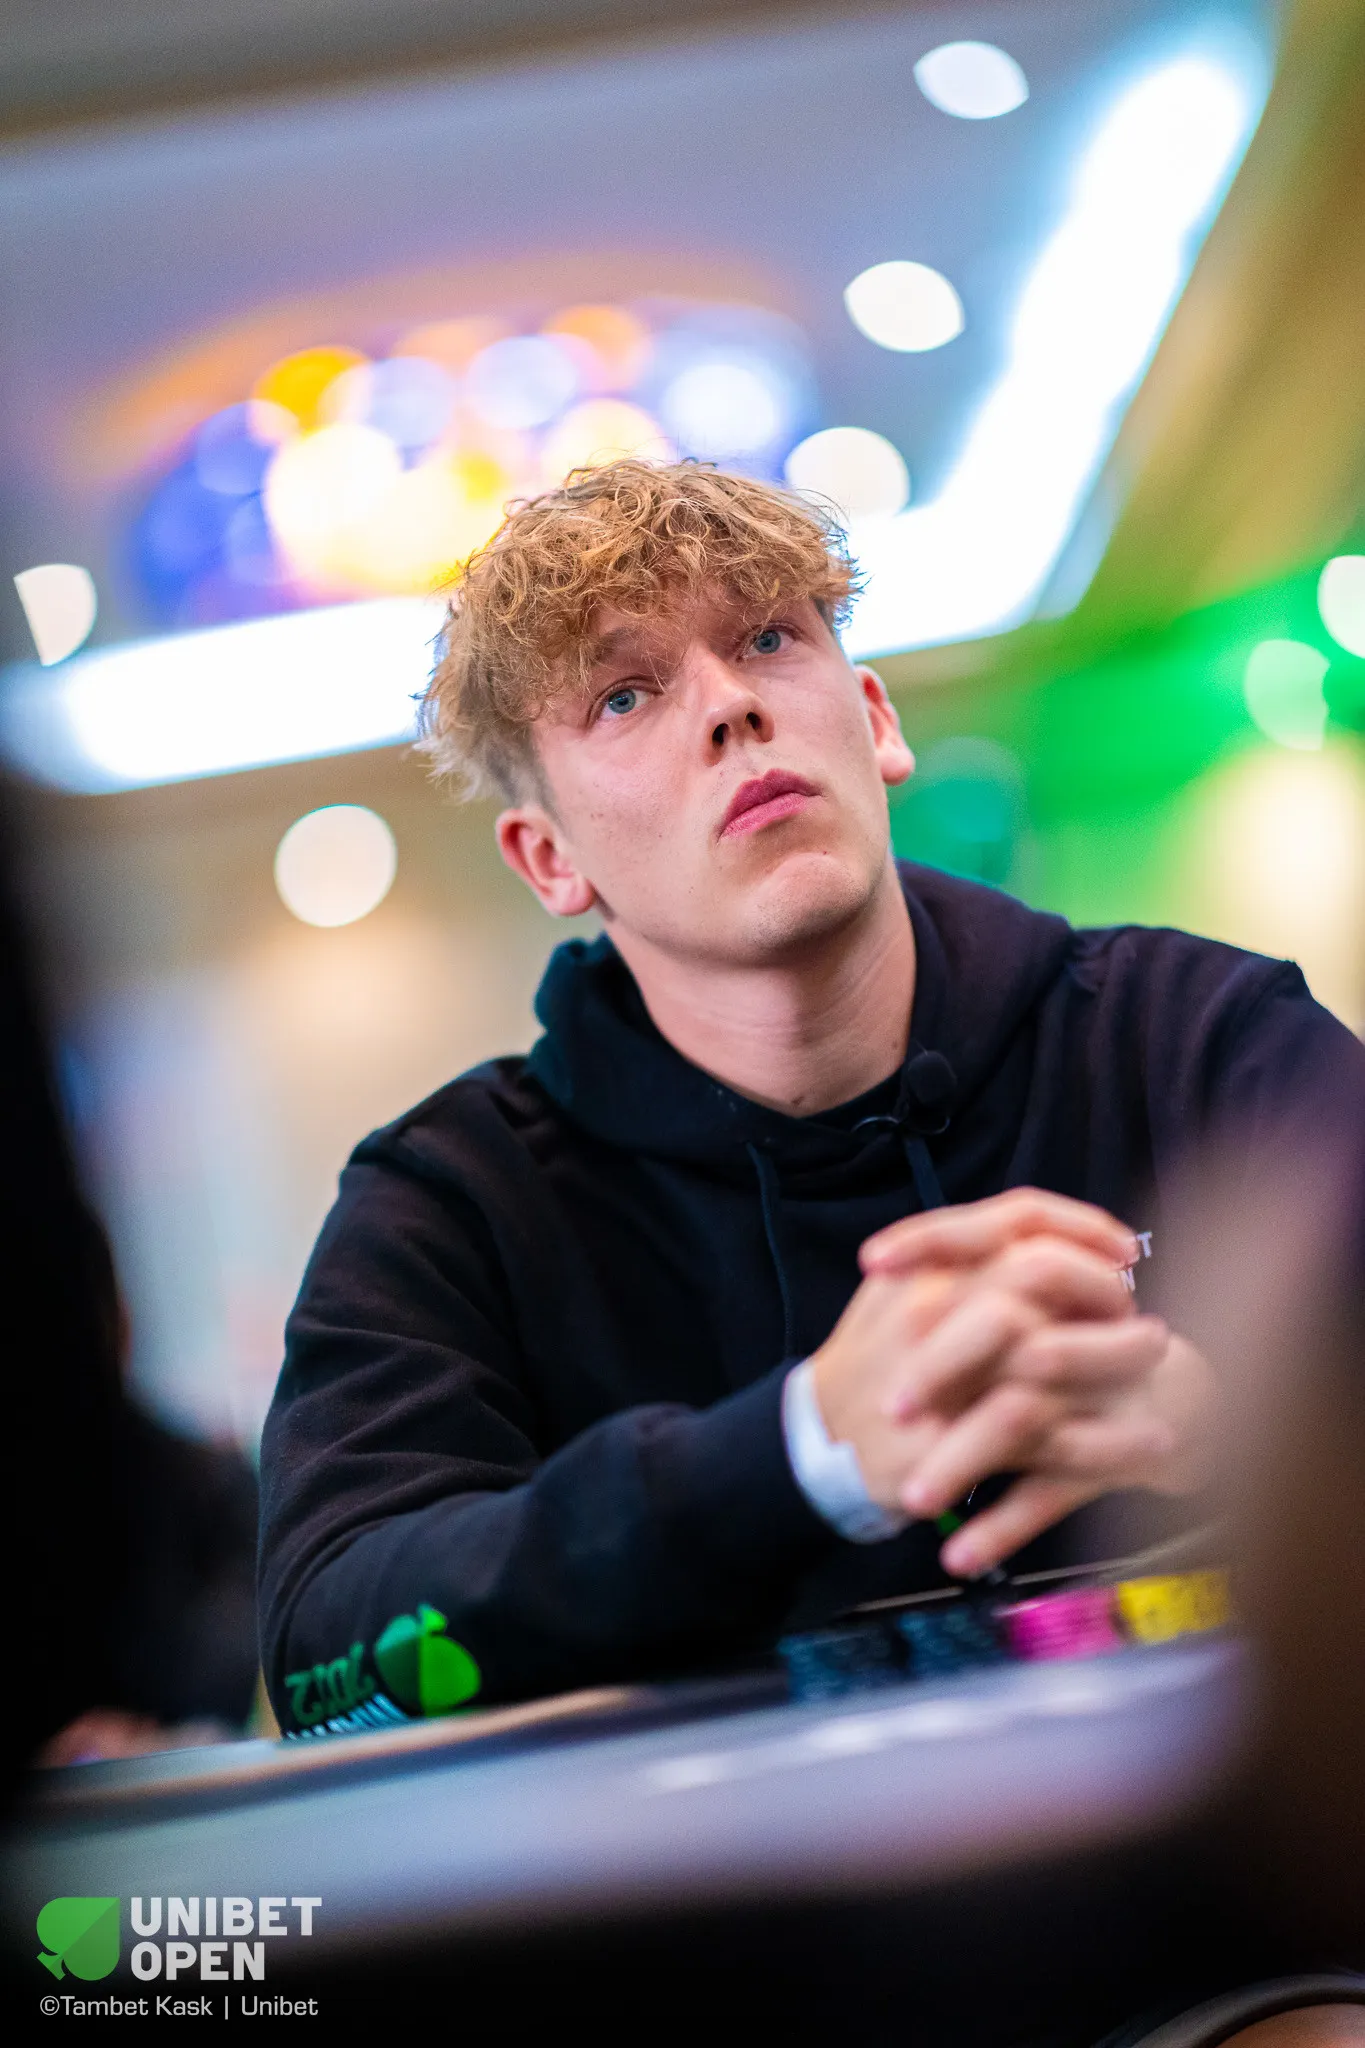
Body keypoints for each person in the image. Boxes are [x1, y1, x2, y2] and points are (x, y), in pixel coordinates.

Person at [257, 460, 1362, 1740]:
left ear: (875, 720)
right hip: (734, 1874)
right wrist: (801, 1450)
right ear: (550, 857)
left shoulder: (1196, 1038)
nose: (731, 704)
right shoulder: (452, 1206)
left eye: (768, 638)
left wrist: (1256, 1436)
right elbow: (334, 1665)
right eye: (625, 694)